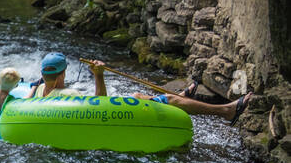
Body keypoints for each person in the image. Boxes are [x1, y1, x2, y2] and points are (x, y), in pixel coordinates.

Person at [30, 52, 256, 122]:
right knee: (169, 102)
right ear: (62, 73)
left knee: (138, 94)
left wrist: (35, 86)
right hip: (105, 119)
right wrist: (98, 76)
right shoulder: (68, 94)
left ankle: (179, 94)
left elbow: (31, 95)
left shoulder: (39, 91)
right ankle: (225, 111)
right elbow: (99, 105)